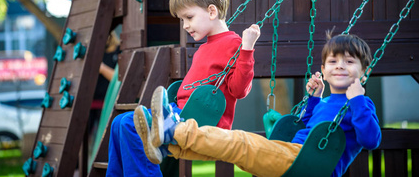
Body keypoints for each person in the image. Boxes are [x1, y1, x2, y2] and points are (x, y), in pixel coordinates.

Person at [135, 33, 382, 177]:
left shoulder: (362, 104)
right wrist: (314, 100)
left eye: (349, 61)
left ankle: (172, 130)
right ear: (324, 72)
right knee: (228, 147)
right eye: (333, 61)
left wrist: (358, 99)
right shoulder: (326, 101)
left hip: (307, 163)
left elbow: (370, 140)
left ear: (364, 73)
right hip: (290, 153)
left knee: (240, 142)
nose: (340, 65)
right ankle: (170, 145)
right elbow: (306, 128)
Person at [106, 0, 261, 176]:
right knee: (119, 123)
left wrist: (247, 48)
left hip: (202, 120)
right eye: (182, 20)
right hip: (181, 113)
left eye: (189, 17)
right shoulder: (204, 48)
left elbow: (239, 90)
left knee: (129, 123)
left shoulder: (234, 44)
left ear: (212, 11)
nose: (185, 25)